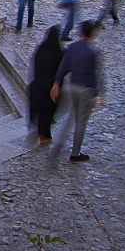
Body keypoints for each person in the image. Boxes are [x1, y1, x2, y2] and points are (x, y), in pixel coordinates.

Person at [51, 21, 104, 162]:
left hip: (72, 86)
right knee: (81, 122)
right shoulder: (93, 52)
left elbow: (63, 66)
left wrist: (56, 82)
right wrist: (97, 94)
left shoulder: (73, 47)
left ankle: (59, 142)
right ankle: (75, 153)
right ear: (92, 33)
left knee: (70, 117)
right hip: (85, 89)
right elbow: (96, 75)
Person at [29, 26, 64, 144]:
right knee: (46, 111)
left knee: (41, 109)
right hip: (49, 86)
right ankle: (44, 136)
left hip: (38, 83)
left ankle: (39, 128)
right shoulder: (57, 53)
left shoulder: (41, 50)